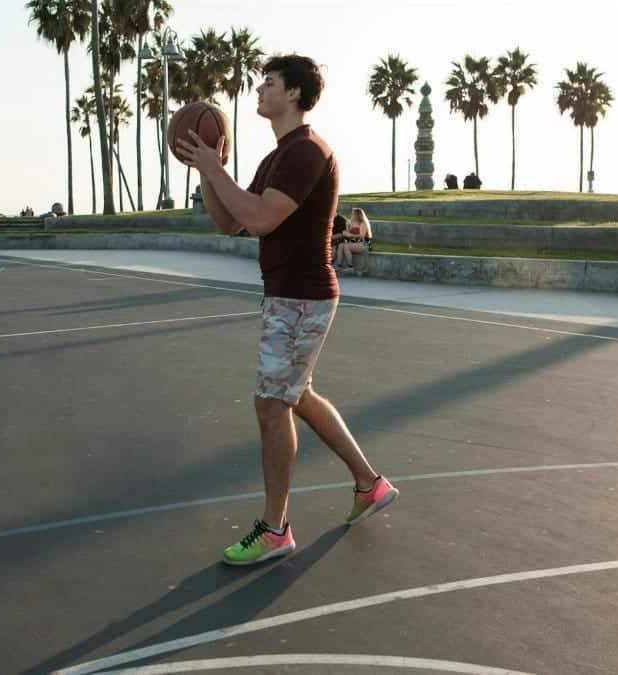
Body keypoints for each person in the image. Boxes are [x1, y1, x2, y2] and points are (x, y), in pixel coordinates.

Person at [176, 54, 398, 566]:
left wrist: (214, 167)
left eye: (269, 82)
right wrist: (210, 172)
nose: (259, 89)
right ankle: (370, 484)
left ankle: (276, 529)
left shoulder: (307, 152)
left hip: (302, 295)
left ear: (294, 93)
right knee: (295, 395)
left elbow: (259, 219)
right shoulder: (277, 156)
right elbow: (228, 222)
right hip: (288, 295)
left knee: (271, 404)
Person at [337, 207, 373, 272]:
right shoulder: (351, 222)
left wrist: (350, 235)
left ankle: (350, 266)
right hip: (354, 242)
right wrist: (346, 228)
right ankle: (338, 266)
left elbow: (362, 236)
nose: (351, 215)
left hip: (363, 243)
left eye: (353, 214)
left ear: (357, 215)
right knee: (340, 245)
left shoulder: (363, 223)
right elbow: (348, 234)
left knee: (346, 246)